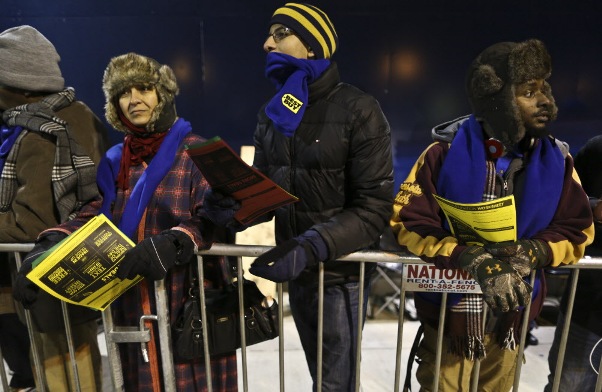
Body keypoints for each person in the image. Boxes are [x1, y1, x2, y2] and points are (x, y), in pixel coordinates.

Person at [14, 52, 237, 391]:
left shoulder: (197, 152)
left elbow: (215, 217)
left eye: (144, 89)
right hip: (133, 303)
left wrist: (176, 241)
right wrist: (49, 247)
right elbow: (95, 216)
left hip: (189, 304)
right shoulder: (117, 161)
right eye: (123, 93)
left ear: (161, 94)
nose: (134, 100)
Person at [204, 3, 393, 391]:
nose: (266, 43)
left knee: (334, 384)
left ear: (310, 47)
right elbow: (269, 195)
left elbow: (374, 208)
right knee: (320, 377)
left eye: (279, 34)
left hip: (341, 275)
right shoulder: (272, 114)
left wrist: (311, 245)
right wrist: (232, 207)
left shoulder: (359, 110)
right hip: (301, 269)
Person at [390, 38, 594, 391]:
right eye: (529, 92)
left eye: (545, 89)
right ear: (497, 99)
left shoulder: (558, 161)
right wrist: (472, 259)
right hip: (447, 319)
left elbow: (576, 228)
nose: (546, 101)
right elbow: (409, 221)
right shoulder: (441, 154)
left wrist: (533, 251)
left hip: (510, 320)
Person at [0, 25, 108, 391]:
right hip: (41, 285)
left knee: (61, 377)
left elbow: (31, 223)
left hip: (44, 286)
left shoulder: (46, 131)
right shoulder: (40, 119)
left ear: (18, 84)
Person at [544, 134, 602, 391]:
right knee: (568, 385)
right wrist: (595, 207)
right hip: (588, 304)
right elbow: (562, 202)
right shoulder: (597, 150)